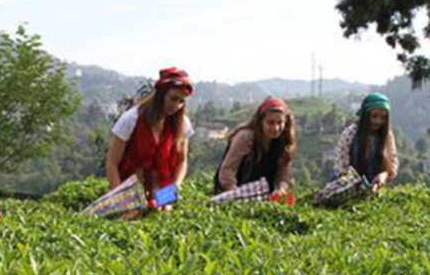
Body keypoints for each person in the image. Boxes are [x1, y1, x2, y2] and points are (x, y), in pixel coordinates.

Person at [105, 67, 195, 196]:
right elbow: (112, 163)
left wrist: (173, 190)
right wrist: (120, 197)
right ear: (161, 94)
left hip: (162, 193)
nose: (177, 106)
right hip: (129, 193)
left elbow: (182, 162)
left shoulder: (182, 124)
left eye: (181, 102)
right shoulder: (131, 119)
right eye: (173, 98)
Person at [214, 97, 296, 198]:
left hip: (263, 196)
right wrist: (236, 193)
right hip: (235, 191)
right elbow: (227, 170)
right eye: (270, 123)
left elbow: (284, 175)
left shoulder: (283, 143)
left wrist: (281, 189)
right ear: (261, 121)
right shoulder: (246, 138)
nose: (275, 128)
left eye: (280, 123)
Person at [333, 92, 398, 192]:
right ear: (365, 115)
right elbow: (341, 164)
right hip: (346, 186)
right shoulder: (350, 133)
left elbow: (393, 161)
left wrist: (383, 176)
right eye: (374, 116)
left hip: (374, 187)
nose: (378, 121)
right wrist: (351, 183)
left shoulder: (387, 135)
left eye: (383, 117)